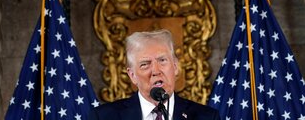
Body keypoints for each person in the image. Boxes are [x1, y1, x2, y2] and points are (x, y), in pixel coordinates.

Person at [88, 29, 220, 120]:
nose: (156, 71)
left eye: (162, 61)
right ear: (132, 75)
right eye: (145, 64)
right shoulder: (104, 117)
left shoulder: (207, 117)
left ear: (175, 66)